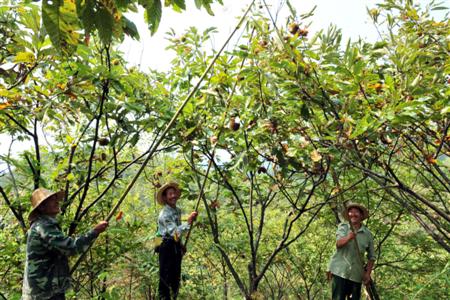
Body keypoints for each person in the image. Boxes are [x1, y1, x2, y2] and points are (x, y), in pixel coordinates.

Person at [22, 188, 108, 300]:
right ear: (42, 207)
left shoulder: (43, 224)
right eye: (52, 200)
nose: (57, 202)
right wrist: (94, 232)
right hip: (44, 293)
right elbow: (71, 247)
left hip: (45, 290)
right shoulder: (43, 226)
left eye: (56, 199)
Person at [156, 182, 198, 300]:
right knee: (165, 275)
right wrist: (189, 222)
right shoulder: (164, 214)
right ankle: (164, 297)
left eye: (174, 193)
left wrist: (180, 245)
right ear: (165, 197)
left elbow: (176, 235)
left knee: (175, 274)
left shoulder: (177, 210)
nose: (173, 196)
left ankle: (174, 295)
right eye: (170, 194)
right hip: (166, 246)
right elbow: (174, 232)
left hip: (174, 245)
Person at [327, 203, 375, 300]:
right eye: (351, 212)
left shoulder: (368, 234)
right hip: (339, 271)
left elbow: (371, 257)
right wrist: (348, 237)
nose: (353, 214)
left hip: (356, 274)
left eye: (356, 212)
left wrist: (367, 274)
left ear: (361, 215)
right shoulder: (343, 227)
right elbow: (338, 244)